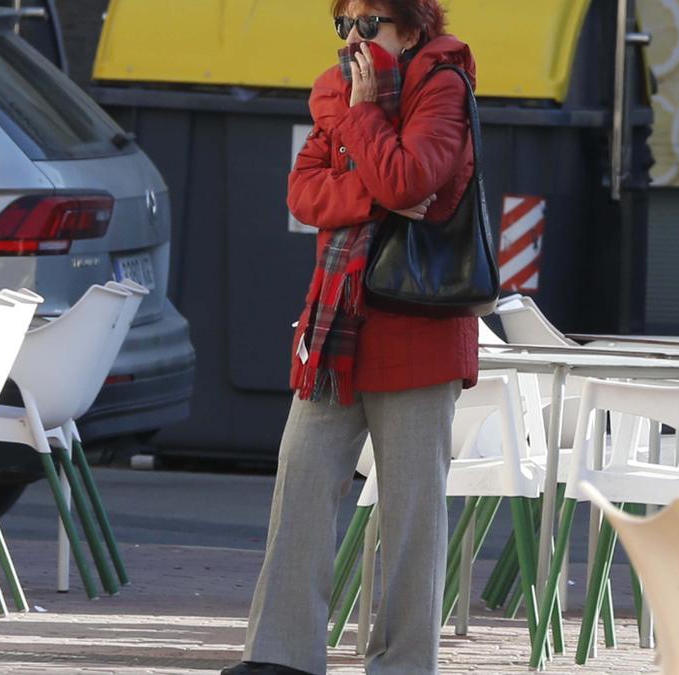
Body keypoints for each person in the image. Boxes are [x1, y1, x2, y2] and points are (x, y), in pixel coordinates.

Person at [221, 1, 479, 674]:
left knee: (411, 512)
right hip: (337, 325)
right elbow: (303, 192)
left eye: (370, 24)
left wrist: (368, 131)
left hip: (418, 326)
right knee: (301, 479)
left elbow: (414, 179)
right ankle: (280, 656)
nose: (354, 38)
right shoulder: (333, 86)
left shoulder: (442, 86)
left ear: (413, 28)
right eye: (345, 23)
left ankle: (402, 662)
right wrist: (378, 192)